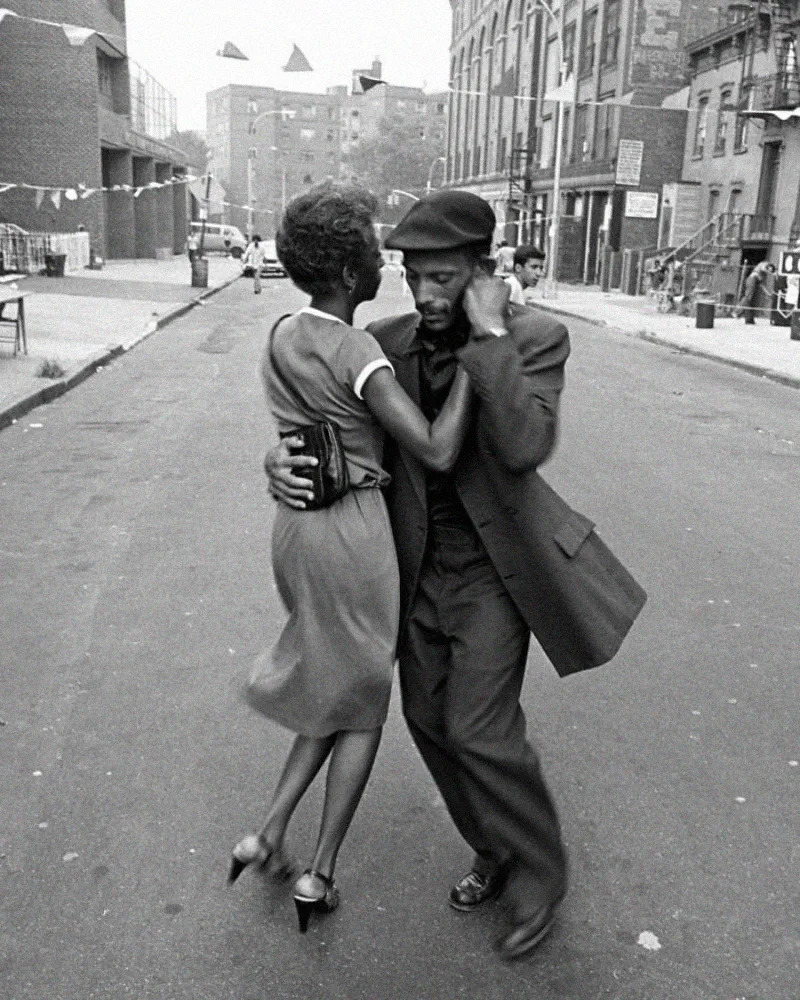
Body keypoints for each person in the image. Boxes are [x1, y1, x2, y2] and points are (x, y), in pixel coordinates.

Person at [265, 189, 647, 960]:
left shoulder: (537, 337)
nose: (426, 294)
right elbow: (332, 433)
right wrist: (278, 462)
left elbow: (524, 443)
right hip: (404, 569)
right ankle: (493, 844)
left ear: (483, 271)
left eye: (445, 279)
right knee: (429, 724)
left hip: (495, 573)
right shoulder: (382, 339)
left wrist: (491, 335)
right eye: (414, 276)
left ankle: (541, 873)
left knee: (480, 727)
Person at [229, 183, 475, 935]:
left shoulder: (280, 333)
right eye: (372, 252)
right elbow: (432, 450)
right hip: (355, 535)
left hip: (296, 530)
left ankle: (266, 833)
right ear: (345, 274)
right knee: (363, 704)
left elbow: (300, 425)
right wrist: (475, 364)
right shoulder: (357, 348)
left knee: (334, 683)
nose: (382, 263)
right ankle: (320, 870)